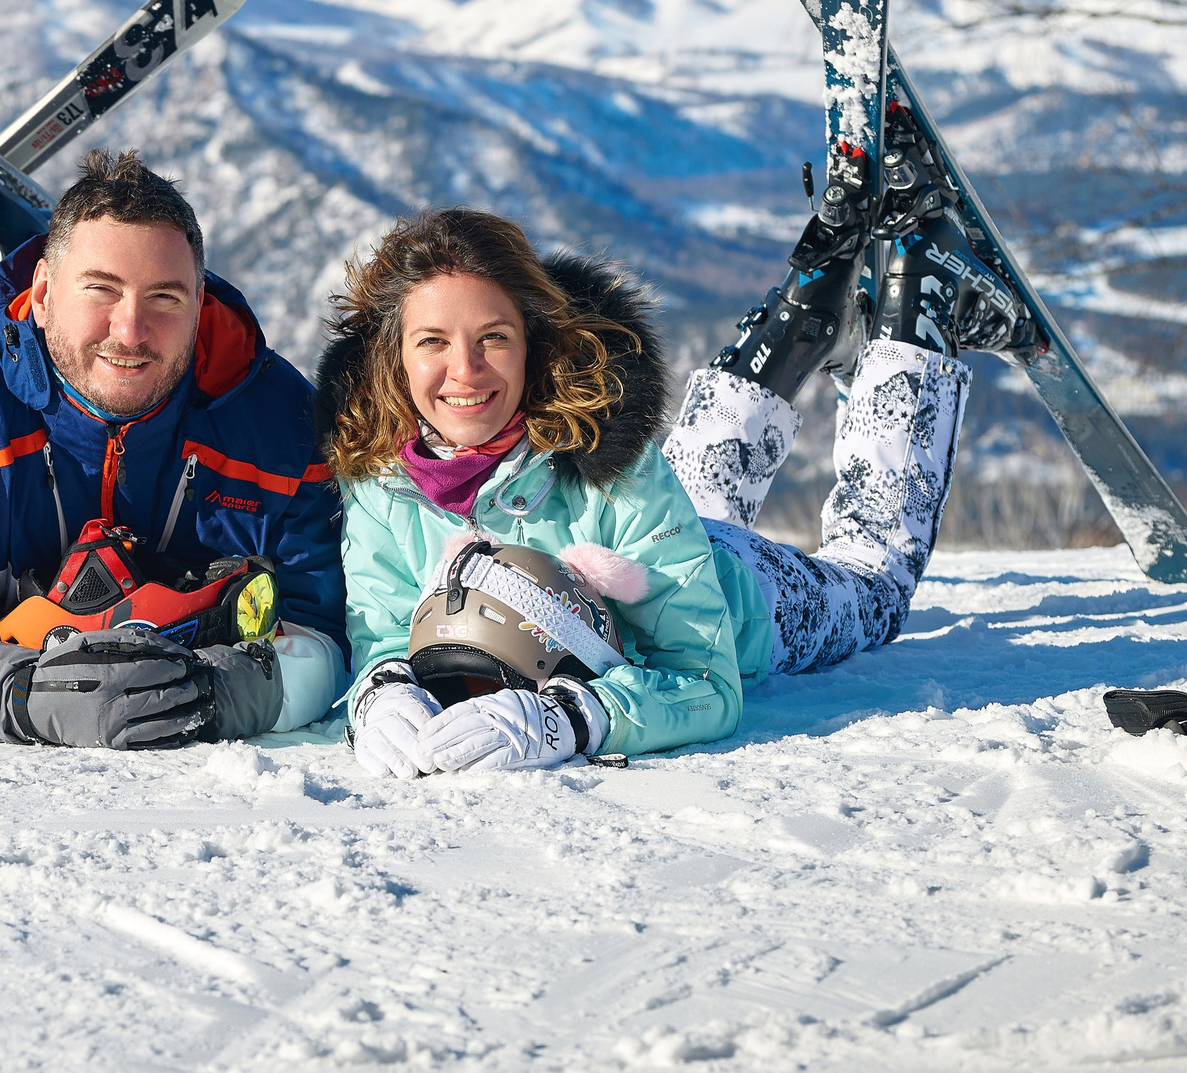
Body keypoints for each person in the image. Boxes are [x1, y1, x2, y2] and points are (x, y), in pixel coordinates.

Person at [326, 197, 993, 774]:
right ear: (394, 356)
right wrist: (381, 691)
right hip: (659, 537)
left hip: (747, 602)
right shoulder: (382, 482)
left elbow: (708, 684)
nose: (464, 370)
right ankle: (806, 315)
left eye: (493, 337)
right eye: (433, 341)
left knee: (873, 583)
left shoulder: (616, 467)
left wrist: (574, 718)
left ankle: (919, 321)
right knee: (693, 483)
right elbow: (385, 632)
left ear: (532, 342)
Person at [0, 149, 348, 748]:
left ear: (200, 306)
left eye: (165, 298)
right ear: (42, 293)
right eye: (101, 289)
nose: (131, 330)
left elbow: (324, 631)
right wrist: (23, 699)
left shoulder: (283, 427)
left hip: (108, 604)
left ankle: (35, 245)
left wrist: (226, 695)